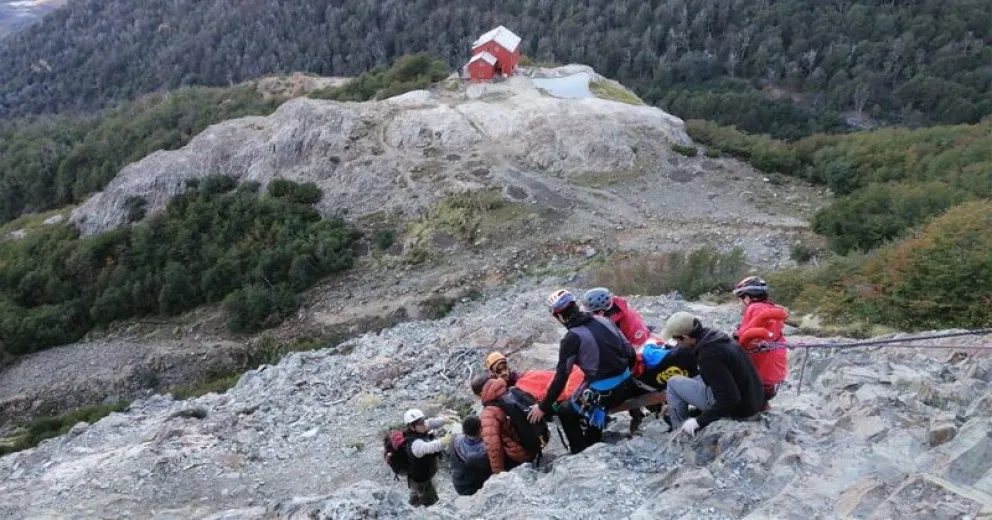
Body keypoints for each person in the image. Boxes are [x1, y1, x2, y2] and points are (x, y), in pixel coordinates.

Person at [526, 289, 644, 453]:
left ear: (559, 316)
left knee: (566, 411)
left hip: (608, 394)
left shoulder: (572, 338)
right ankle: (593, 438)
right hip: (628, 384)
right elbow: (629, 352)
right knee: (589, 391)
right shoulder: (604, 320)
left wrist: (543, 407)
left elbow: (561, 377)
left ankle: (578, 451)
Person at [661, 312, 764, 438]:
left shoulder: (708, 356)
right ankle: (682, 413)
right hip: (753, 399)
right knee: (696, 378)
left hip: (740, 409)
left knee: (673, 382)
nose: (676, 343)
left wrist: (699, 421)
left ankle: (680, 431)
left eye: (676, 339)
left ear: (684, 337)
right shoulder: (716, 337)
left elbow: (730, 398)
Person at [733, 276, 789, 407]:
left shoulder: (755, 308)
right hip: (772, 382)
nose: (739, 305)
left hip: (758, 384)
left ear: (747, 298)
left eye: (739, 300)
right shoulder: (770, 308)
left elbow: (748, 342)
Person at [475, 375, 541, 473]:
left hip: (519, 455)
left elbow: (494, 448)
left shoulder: (489, 413)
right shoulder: (512, 390)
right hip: (538, 441)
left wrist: (499, 474)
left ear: (480, 394)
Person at [400, 408, 455, 507]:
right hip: (422, 480)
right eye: (420, 422)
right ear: (411, 427)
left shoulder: (418, 429)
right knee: (431, 503)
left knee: (416, 497)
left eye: (423, 420)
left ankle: (413, 504)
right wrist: (444, 441)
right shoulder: (415, 444)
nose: (424, 423)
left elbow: (431, 422)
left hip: (421, 475)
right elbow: (429, 447)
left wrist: (444, 420)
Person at [581, 287, 652, 347]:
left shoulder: (631, 321)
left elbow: (641, 348)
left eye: (589, 313)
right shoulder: (605, 319)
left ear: (601, 313)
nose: (587, 316)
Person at [448, 415, 492, 496]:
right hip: (472, 487)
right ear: (480, 429)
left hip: (457, 482)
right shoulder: (481, 452)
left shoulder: (455, 439)